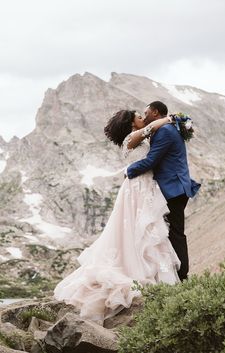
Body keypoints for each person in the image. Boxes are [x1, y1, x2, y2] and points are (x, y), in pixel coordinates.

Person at [54, 110, 180, 325]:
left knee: (148, 231)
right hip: (137, 189)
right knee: (139, 229)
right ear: (131, 123)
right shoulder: (131, 138)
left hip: (145, 186)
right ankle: (139, 272)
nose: (142, 117)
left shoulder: (138, 137)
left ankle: (154, 274)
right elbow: (151, 129)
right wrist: (171, 119)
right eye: (139, 115)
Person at [127, 101, 201, 281]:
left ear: (155, 112)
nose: (144, 117)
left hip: (173, 189)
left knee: (174, 234)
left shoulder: (165, 131)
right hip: (172, 187)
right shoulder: (164, 128)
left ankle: (182, 276)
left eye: (146, 113)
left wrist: (128, 171)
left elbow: (151, 161)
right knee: (164, 234)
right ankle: (171, 274)